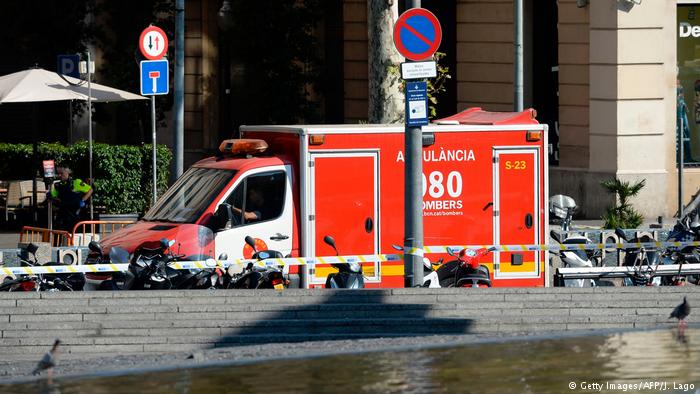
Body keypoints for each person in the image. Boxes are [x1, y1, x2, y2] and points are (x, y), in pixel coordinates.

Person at [49, 167, 93, 231]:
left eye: (61, 173)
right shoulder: (58, 185)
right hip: (63, 214)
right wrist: (50, 195)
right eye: (58, 174)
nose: (59, 175)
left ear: (68, 173)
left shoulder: (76, 182)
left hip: (74, 213)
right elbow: (53, 195)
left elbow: (90, 190)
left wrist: (83, 200)